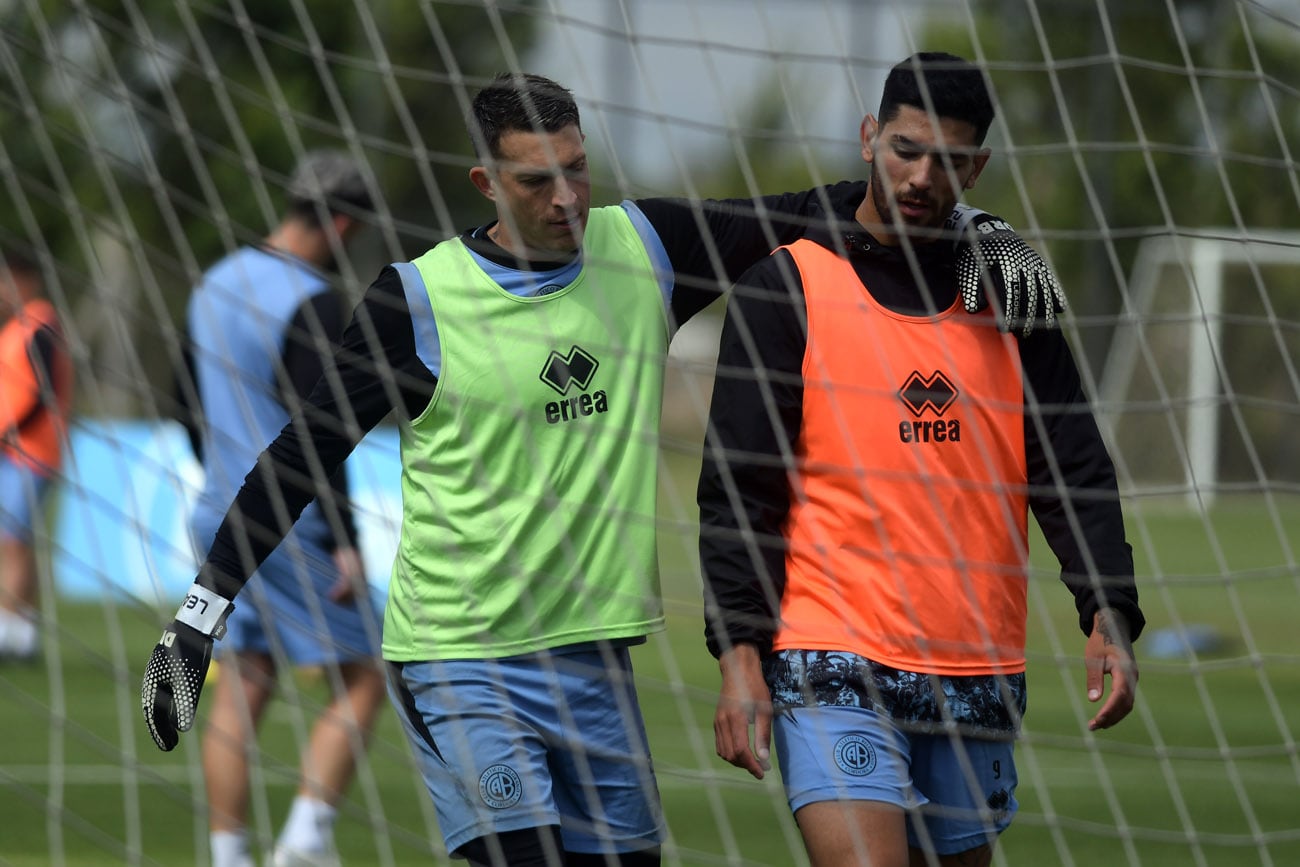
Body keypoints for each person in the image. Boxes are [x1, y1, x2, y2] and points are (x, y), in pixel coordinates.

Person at [142, 72, 1065, 867]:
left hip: (597, 661)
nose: (567, 198)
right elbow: (298, 457)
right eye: (537, 180)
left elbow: (815, 214)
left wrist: (979, 224)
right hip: (464, 658)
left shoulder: (646, 250)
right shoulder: (416, 302)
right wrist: (201, 612)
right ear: (486, 182)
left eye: (577, 169)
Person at [698, 52, 1145, 867]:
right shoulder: (786, 286)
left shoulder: (1011, 290)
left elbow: (1070, 463)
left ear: (977, 166)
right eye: (904, 148)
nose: (920, 174)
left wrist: (1106, 608)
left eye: (948, 160)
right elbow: (737, 492)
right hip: (830, 651)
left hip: (976, 660)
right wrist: (739, 656)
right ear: (869, 138)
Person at [175, 150, 388, 867]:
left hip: (217, 511)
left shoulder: (214, 281)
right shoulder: (313, 298)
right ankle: (304, 841)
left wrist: (220, 474)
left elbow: (180, 399)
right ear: (340, 222)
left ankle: (230, 854)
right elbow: (318, 434)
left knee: (245, 678)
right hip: (287, 519)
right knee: (365, 674)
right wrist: (348, 537)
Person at [0, 247, 73, 661]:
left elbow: (38, 396)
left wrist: (7, 434)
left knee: (15, 542)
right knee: (14, 541)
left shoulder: (41, 326)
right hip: (17, 451)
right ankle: (19, 631)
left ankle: (13, 632)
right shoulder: (19, 327)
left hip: (31, 452)